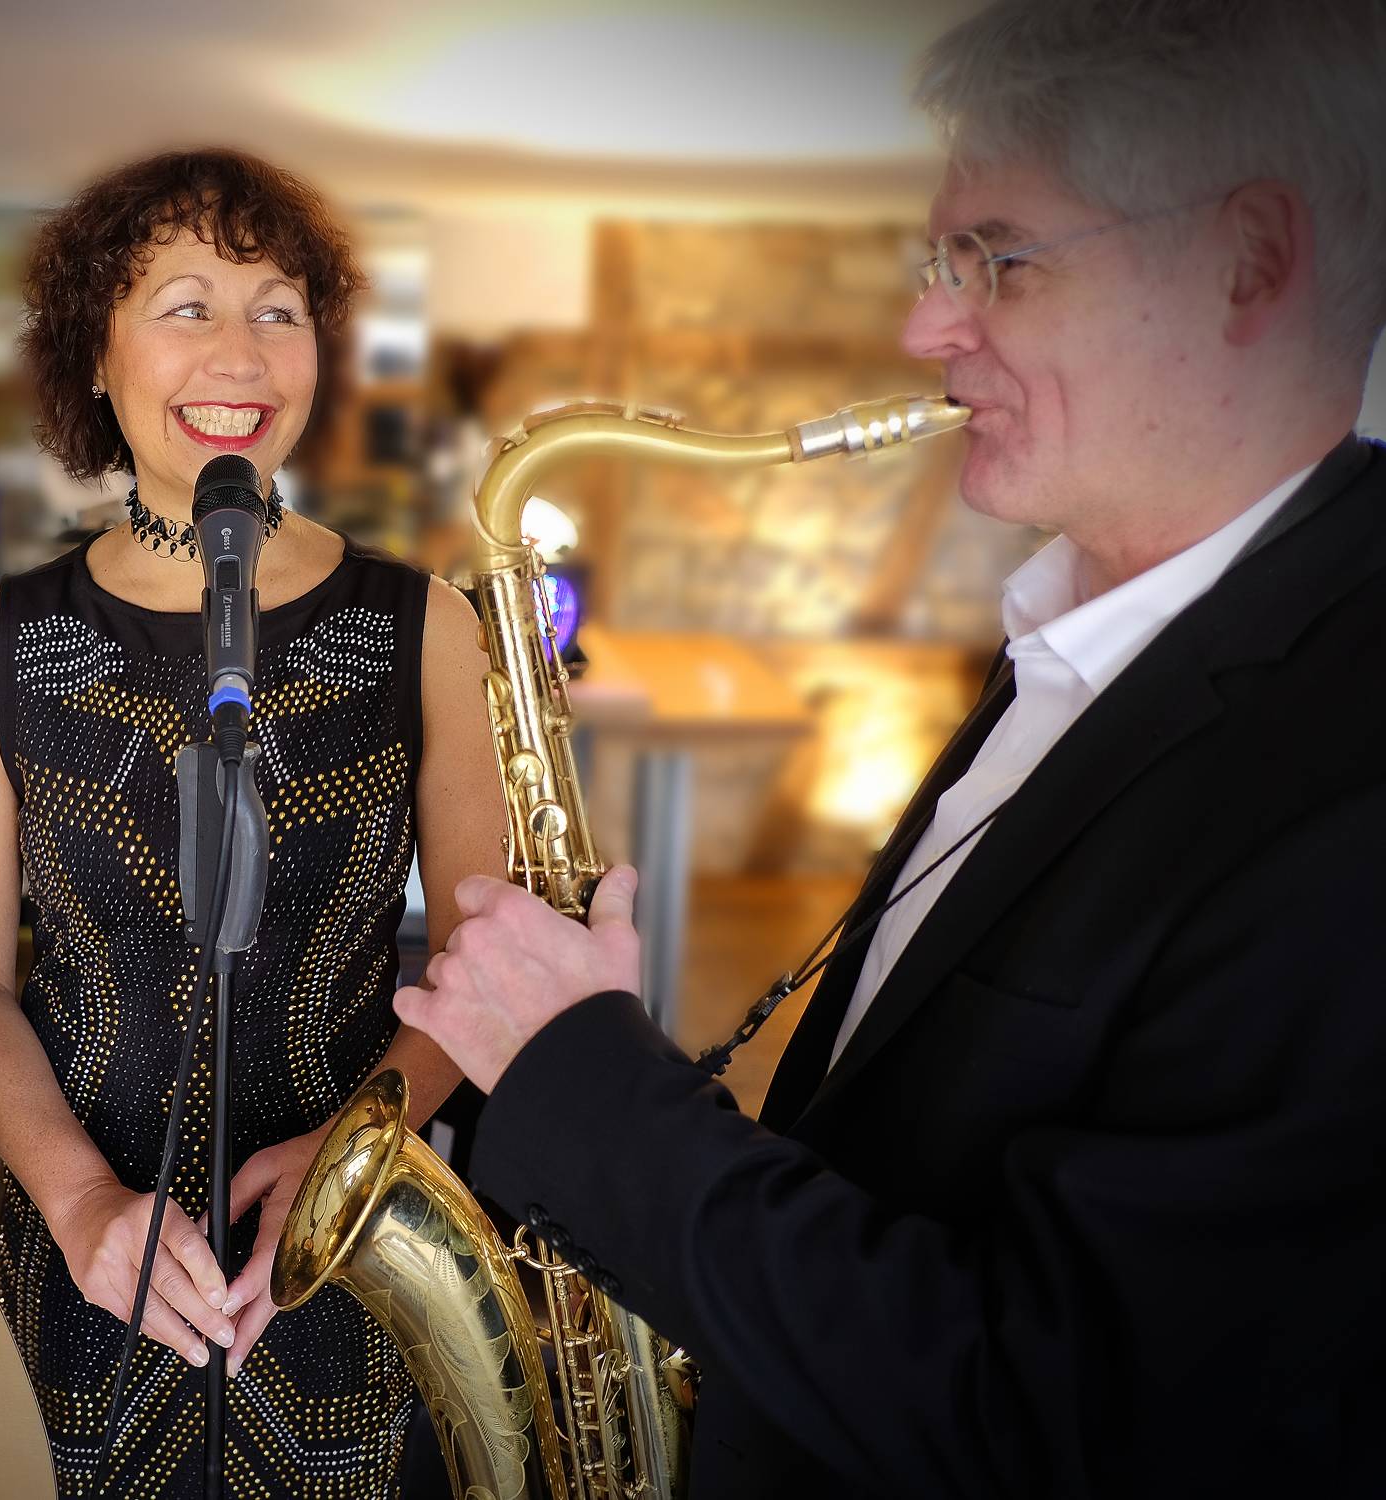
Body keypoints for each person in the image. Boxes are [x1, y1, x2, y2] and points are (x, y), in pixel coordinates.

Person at [397, 2, 1386, 1496]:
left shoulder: (1351, 771)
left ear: (1246, 262)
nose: (929, 330)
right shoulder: (1089, 623)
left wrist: (585, 1084)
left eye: (1004, 260)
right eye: (943, 263)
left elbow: (1061, 1426)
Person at [0, 148, 507, 1496]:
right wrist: (81, 1202)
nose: (239, 354)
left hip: (350, 1239)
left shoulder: (426, 624)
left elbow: (487, 962)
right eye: (185, 307)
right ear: (95, 355)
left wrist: (355, 1159)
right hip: (86, 1250)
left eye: (277, 311)